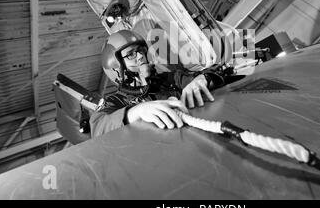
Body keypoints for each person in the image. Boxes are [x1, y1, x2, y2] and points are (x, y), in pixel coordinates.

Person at [90, 30, 225, 137]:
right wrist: (135, 112)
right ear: (116, 67)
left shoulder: (170, 79)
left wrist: (203, 78)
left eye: (141, 50)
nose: (140, 56)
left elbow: (215, 73)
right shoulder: (115, 101)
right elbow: (98, 127)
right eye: (131, 54)